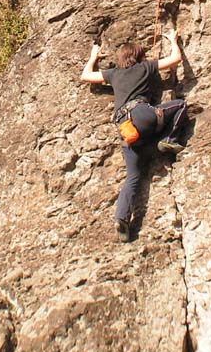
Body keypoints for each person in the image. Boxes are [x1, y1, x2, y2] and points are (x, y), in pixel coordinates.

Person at [80, 30, 188, 243]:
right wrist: (173, 41)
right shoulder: (144, 67)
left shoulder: (114, 74)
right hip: (142, 115)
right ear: (138, 57)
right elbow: (175, 59)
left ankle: (122, 217)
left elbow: (86, 76)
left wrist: (93, 56)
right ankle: (169, 139)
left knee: (134, 176)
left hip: (126, 128)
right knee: (180, 106)